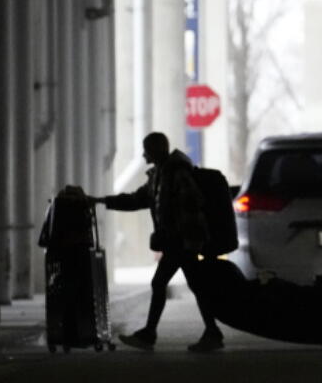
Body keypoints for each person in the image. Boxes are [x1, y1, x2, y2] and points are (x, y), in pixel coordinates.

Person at [92, 132, 224, 353]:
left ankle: (152, 334)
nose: (144, 154)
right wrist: (101, 201)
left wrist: (187, 238)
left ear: (157, 150)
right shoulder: (159, 176)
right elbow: (136, 200)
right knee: (191, 285)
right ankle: (210, 332)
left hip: (181, 241)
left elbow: (192, 203)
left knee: (165, 283)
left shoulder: (177, 173)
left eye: (147, 149)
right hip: (178, 241)